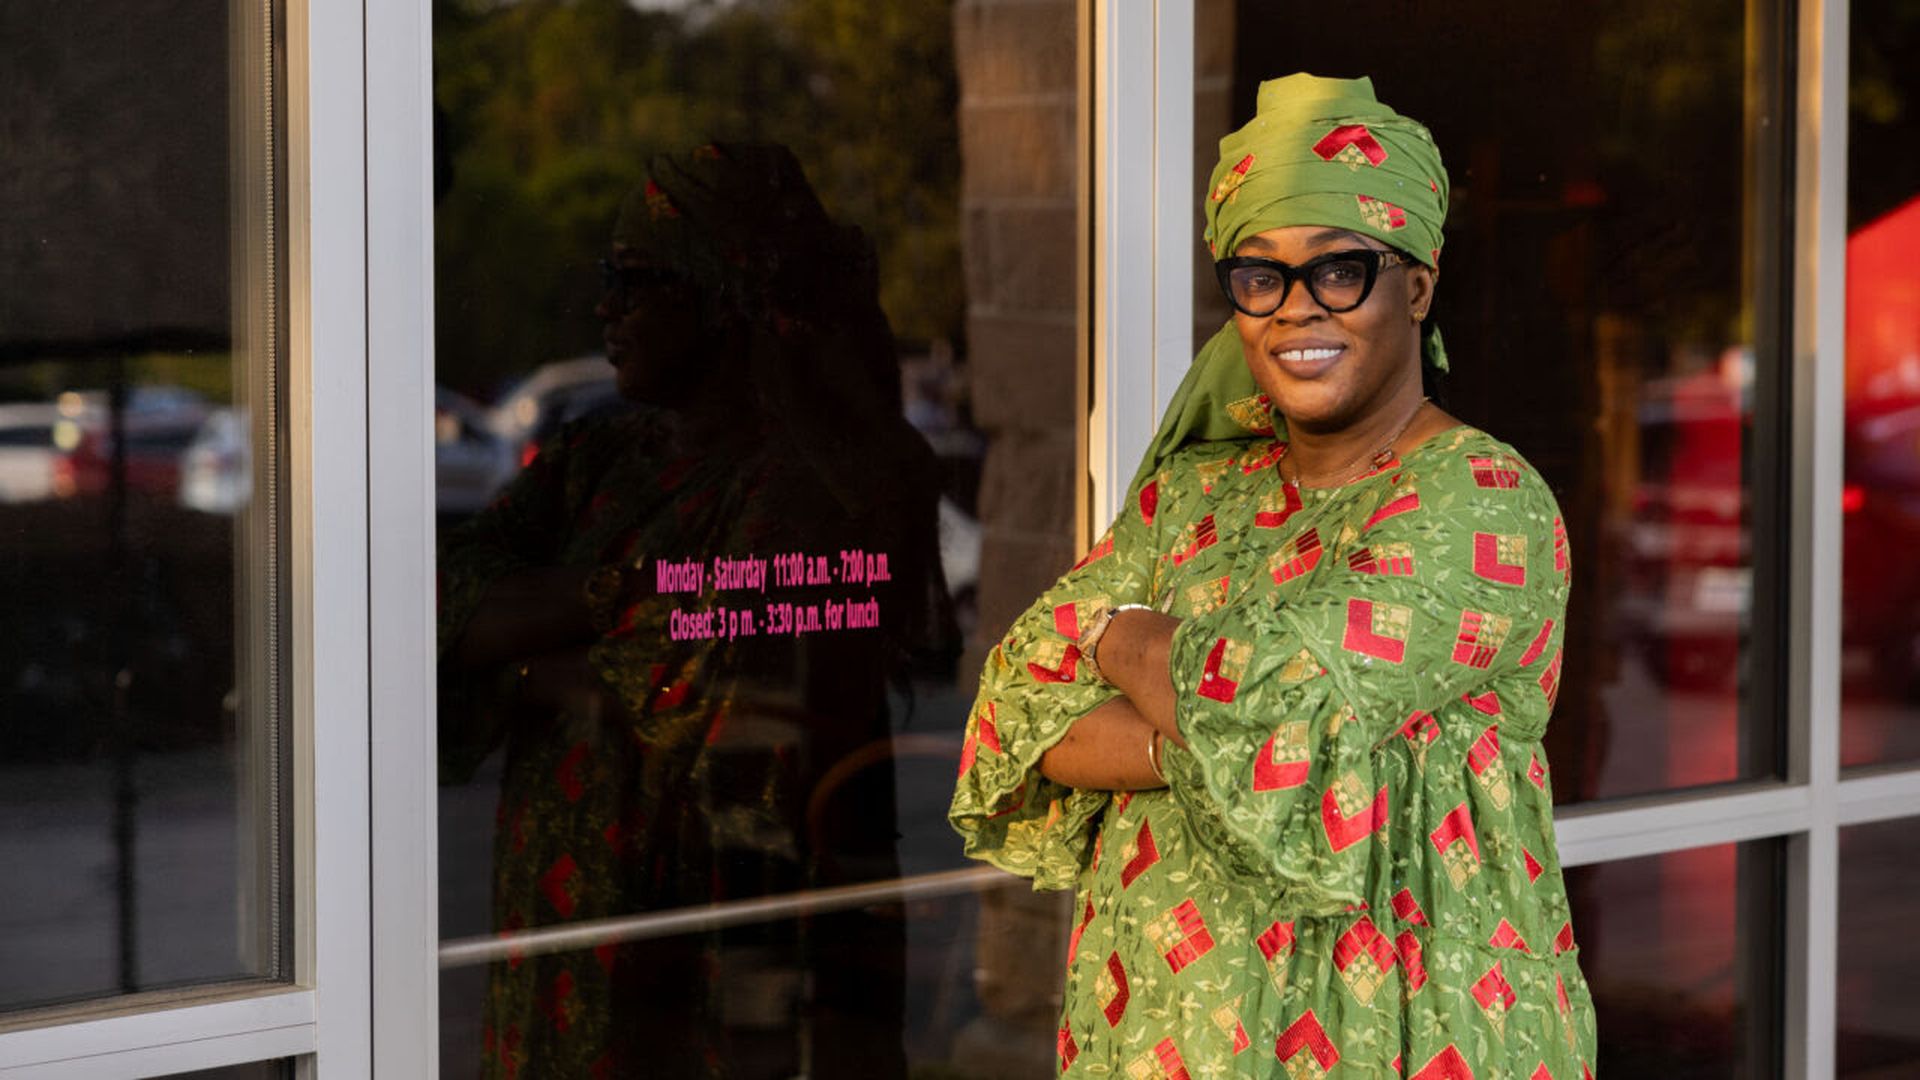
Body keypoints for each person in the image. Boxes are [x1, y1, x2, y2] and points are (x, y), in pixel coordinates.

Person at [950, 74, 1598, 1077]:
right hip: (1164, 1033)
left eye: (1342, 270)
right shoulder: (1193, 495)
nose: (1299, 308)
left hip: (1402, 1036)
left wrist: (1117, 636)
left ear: (1417, 285)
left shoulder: (1481, 499)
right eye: (1260, 275)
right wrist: (1213, 738)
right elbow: (1018, 707)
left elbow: (1270, 707)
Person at [440, 142, 948, 1078]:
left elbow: (689, 669)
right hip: (570, 934)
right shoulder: (601, 461)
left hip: (725, 933)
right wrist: (613, 595)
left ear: (720, 299)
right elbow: (438, 599)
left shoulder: (814, 488)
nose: (606, 308)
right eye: (607, 278)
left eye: (632, 281)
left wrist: (524, 648)